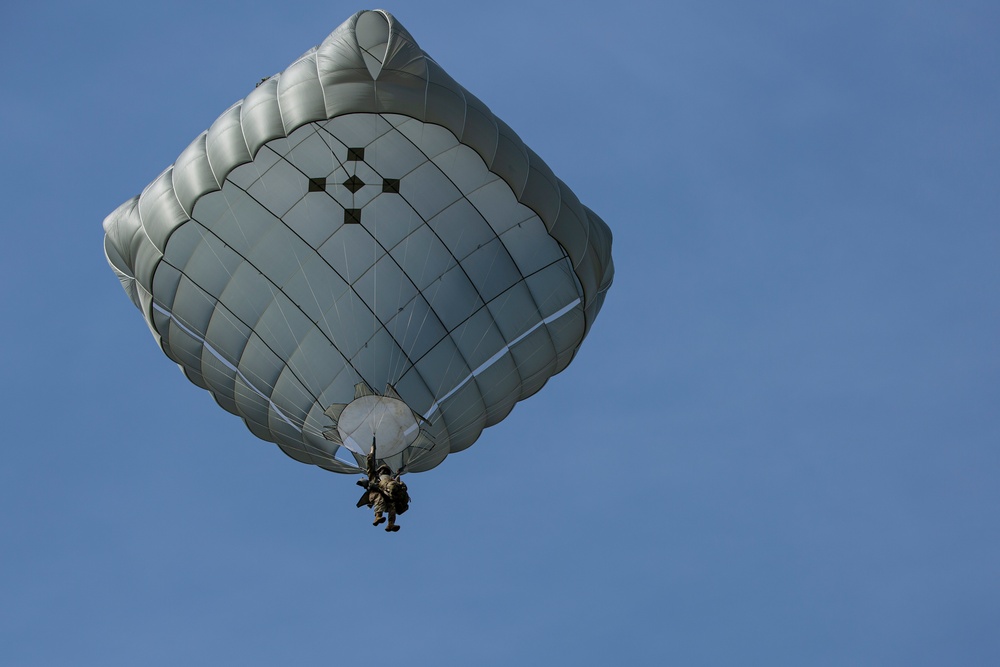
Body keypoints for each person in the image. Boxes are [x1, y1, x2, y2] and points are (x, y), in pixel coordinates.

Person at [355, 441, 410, 532]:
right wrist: (372, 451)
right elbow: (370, 465)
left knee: (392, 506)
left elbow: (395, 484)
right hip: (376, 494)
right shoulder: (374, 477)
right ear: (379, 472)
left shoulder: (392, 479)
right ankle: (378, 516)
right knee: (378, 497)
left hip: (387, 495)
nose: (384, 472)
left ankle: (390, 524)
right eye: (383, 470)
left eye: (386, 471)